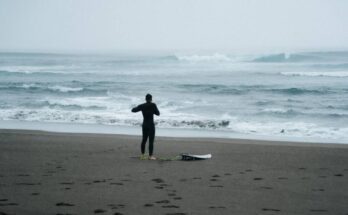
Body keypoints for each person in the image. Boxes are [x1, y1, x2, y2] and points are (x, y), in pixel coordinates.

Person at [131, 94, 160, 160]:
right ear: (151, 99)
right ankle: (150, 156)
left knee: (144, 140)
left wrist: (138, 107)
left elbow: (133, 110)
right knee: (151, 141)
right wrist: (152, 111)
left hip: (144, 124)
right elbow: (158, 113)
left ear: (145, 99)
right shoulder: (153, 105)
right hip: (151, 125)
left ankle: (143, 155)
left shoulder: (142, 105)